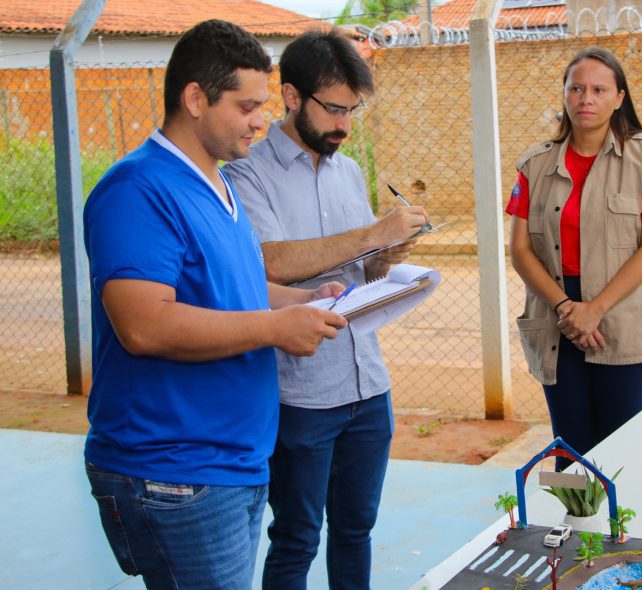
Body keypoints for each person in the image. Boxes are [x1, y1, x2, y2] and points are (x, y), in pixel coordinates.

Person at [82, 20, 348, 589]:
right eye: (247, 106)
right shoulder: (137, 189)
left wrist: (303, 301)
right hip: (173, 469)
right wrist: (277, 327)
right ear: (196, 98)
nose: (261, 120)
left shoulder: (217, 184)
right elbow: (145, 325)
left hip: (230, 463)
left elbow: (233, 292)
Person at [223, 28, 427, 590]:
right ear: (291, 96)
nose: (343, 124)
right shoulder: (246, 172)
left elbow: (360, 269)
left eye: (352, 110)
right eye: (334, 109)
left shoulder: (349, 171)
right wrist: (369, 235)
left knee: (356, 529)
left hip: (367, 385)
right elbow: (266, 264)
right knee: (296, 536)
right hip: (302, 391)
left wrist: (389, 255)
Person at [507, 47, 642, 470]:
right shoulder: (535, 164)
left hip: (617, 313)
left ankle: (622, 537)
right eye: (577, 88)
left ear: (619, 97)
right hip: (556, 315)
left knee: (622, 446)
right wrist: (568, 309)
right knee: (571, 448)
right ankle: (576, 533)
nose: (587, 98)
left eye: (599, 89)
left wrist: (595, 310)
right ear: (565, 95)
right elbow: (521, 250)